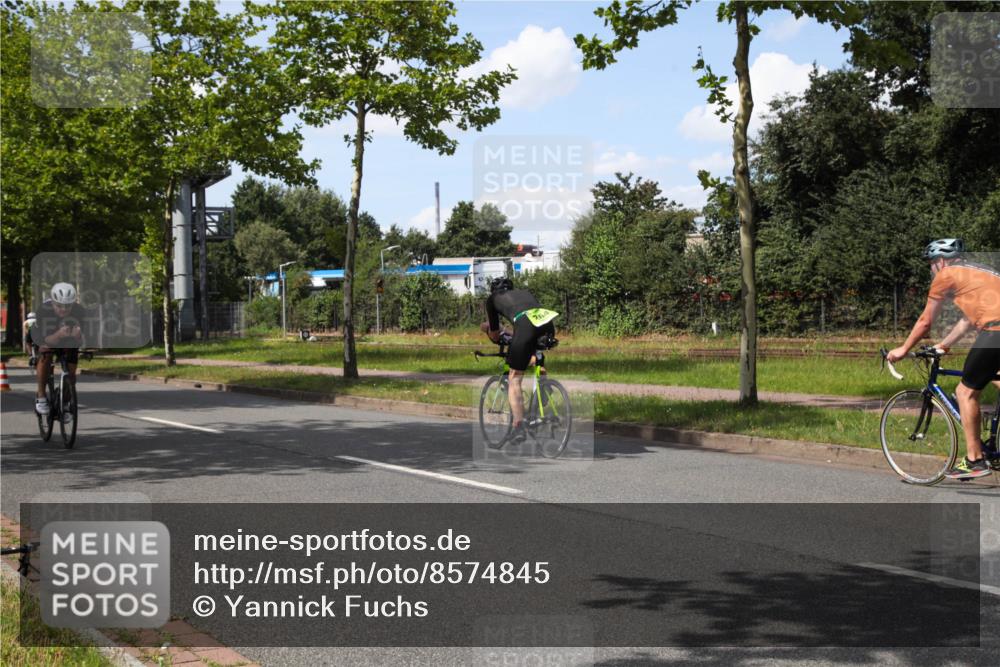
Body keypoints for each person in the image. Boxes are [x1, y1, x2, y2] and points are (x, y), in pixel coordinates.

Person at [887, 239, 1000, 479]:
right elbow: (969, 320)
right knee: (993, 378)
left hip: (996, 332)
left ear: (941, 261)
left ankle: (974, 461)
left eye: (931, 263)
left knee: (965, 392)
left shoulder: (945, 276)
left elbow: (925, 321)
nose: (931, 269)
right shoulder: (979, 270)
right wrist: (944, 345)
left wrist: (904, 349)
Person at [481, 276, 558, 443]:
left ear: (494, 290)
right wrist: (511, 333)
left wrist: (489, 332)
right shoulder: (524, 293)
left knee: (514, 378)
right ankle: (543, 387)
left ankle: (519, 426)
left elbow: (495, 335)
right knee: (535, 356)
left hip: (525, 327)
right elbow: (525, 322)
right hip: (546, 323)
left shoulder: (493, 299)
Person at [32, 283, 86, 416]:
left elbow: (88, 337)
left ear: (73, 304)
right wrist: (59, 335)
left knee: (71, 375)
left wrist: (79, 336)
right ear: (53, 303)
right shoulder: (44, 310)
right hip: (47, 337)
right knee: (46, 354)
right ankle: (41, 395)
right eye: (59, 306)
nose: (63, 309)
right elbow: (45, 340)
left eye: (68, 306)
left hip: (68, 341)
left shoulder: (80, 311)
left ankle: (66, 401)